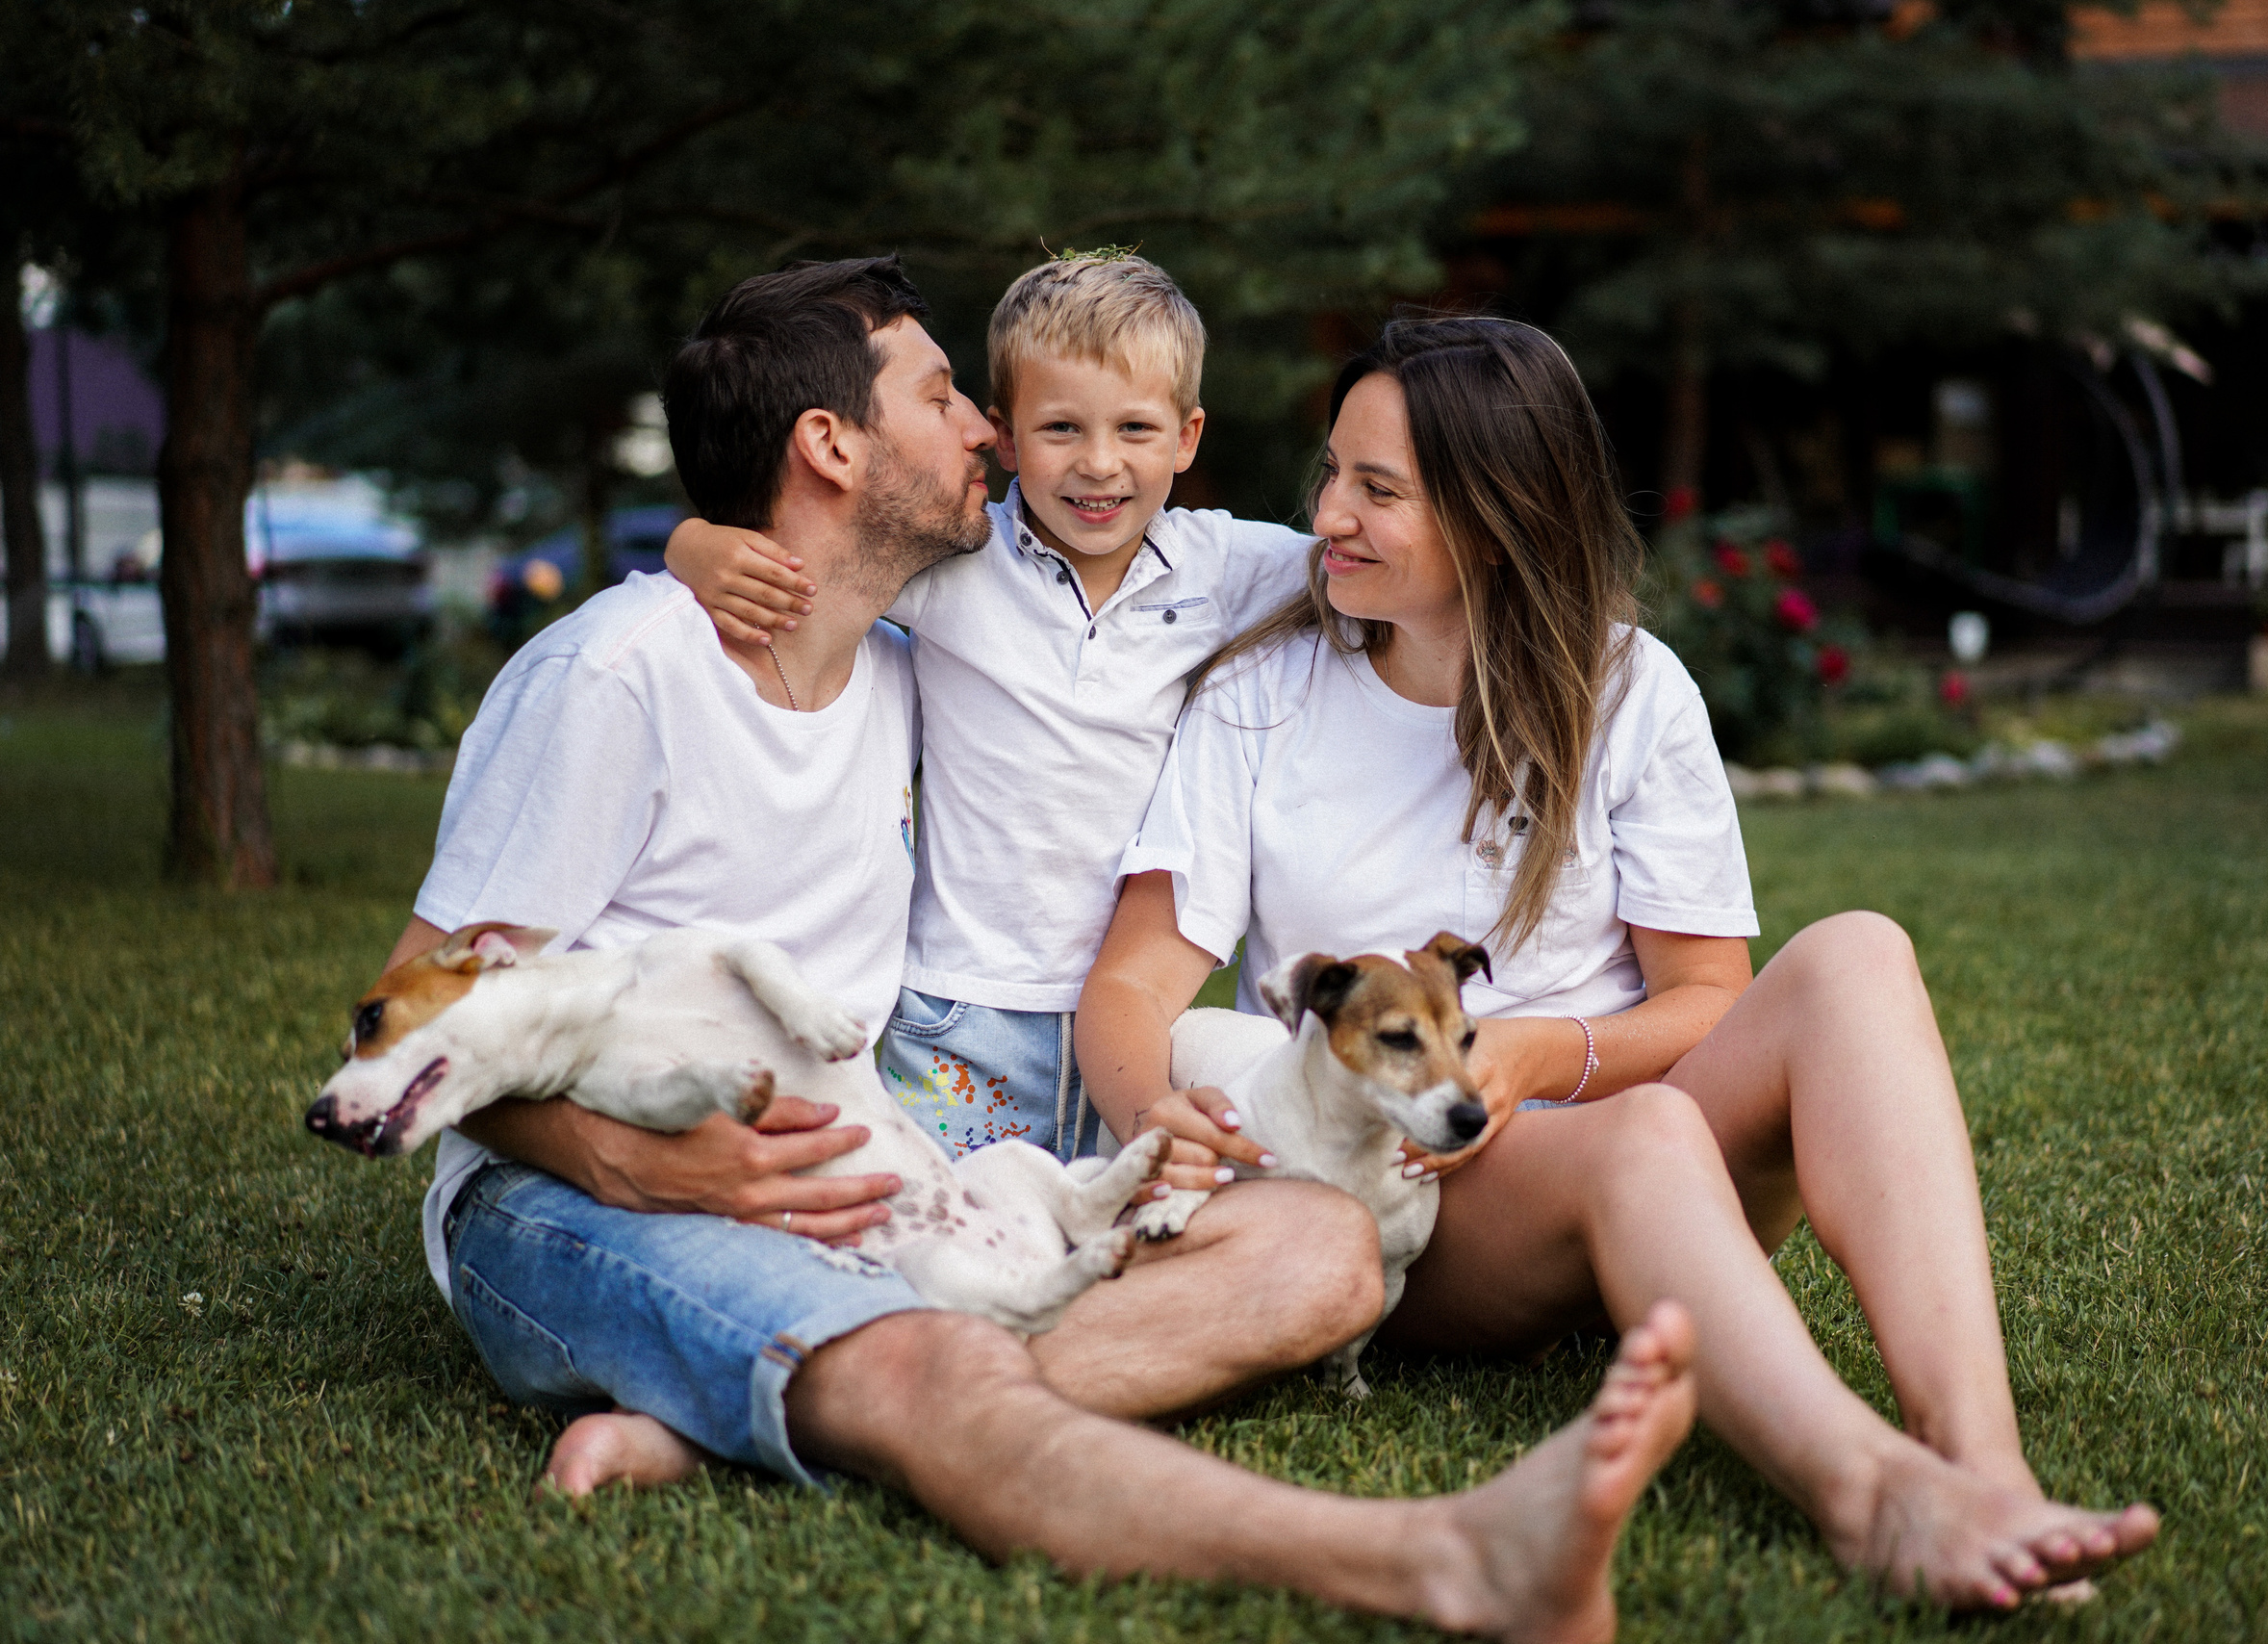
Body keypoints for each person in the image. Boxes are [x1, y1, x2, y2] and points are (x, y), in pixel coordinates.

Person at [383, 257, 1703, 1644]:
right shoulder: (624, 673)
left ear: (1184, 444)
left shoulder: (886, 661)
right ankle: (1440, 1558)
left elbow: (1363, 563)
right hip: (604, 1185)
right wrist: (634, 1160)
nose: (988, 436)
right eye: (954, 396)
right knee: (938, 1360)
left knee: (1325, 1256)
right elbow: (412, 1025)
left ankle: (744, 1415)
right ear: (831, 444)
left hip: (871, 1135)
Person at [1072, 313, 2163, 1612]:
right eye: (1332, 473)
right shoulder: (1267, 694)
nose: (1328, 517)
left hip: (1614, 1126)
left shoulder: (1630, 689)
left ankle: (1985, 1462)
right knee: (1644, 1137)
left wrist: (1540, 1055)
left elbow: (1711, 997)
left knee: (1857, 957)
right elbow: (1136, 983)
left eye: (1378, 489)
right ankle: (1874, 1498)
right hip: (1416, 1188)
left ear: (1495, 514)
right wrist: (1158, 1122)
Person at [665, 250, 1309, 1167]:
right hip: (964, 1007)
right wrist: (694, 545)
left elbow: (1358, 569)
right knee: (953, 1227)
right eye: (1060, 429)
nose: (1099, 464)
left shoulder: (1225, 569)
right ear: (1005, 437)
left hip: (1144, 1013)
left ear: (1187, 436)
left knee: (1112, 1232)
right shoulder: (959, 566)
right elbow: (801, 552)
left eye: (1135, 428)